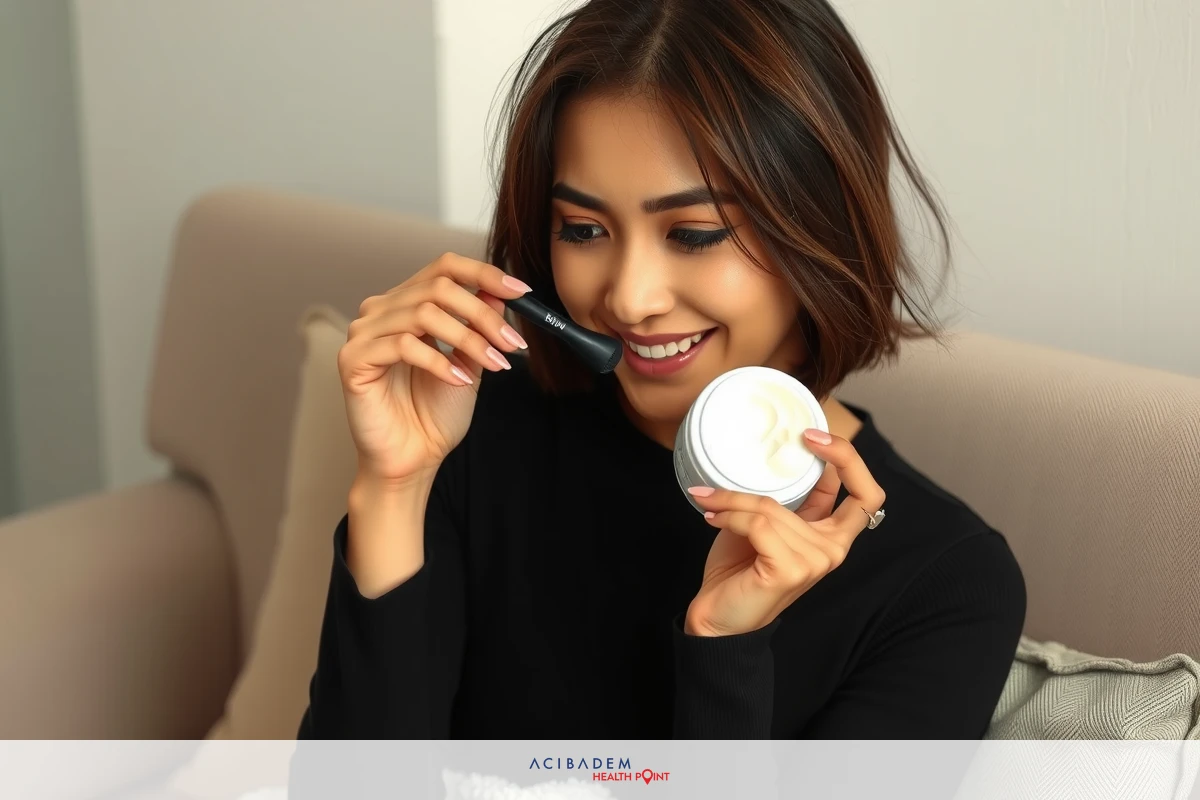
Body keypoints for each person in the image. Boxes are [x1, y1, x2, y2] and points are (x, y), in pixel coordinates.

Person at [297, 0, 1026, 741]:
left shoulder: (946, 582)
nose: (627, 298)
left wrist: (725, 646)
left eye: (694, 233)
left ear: (818, 226)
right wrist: (392, 489)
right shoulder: (467, 428)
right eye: (583, 230)